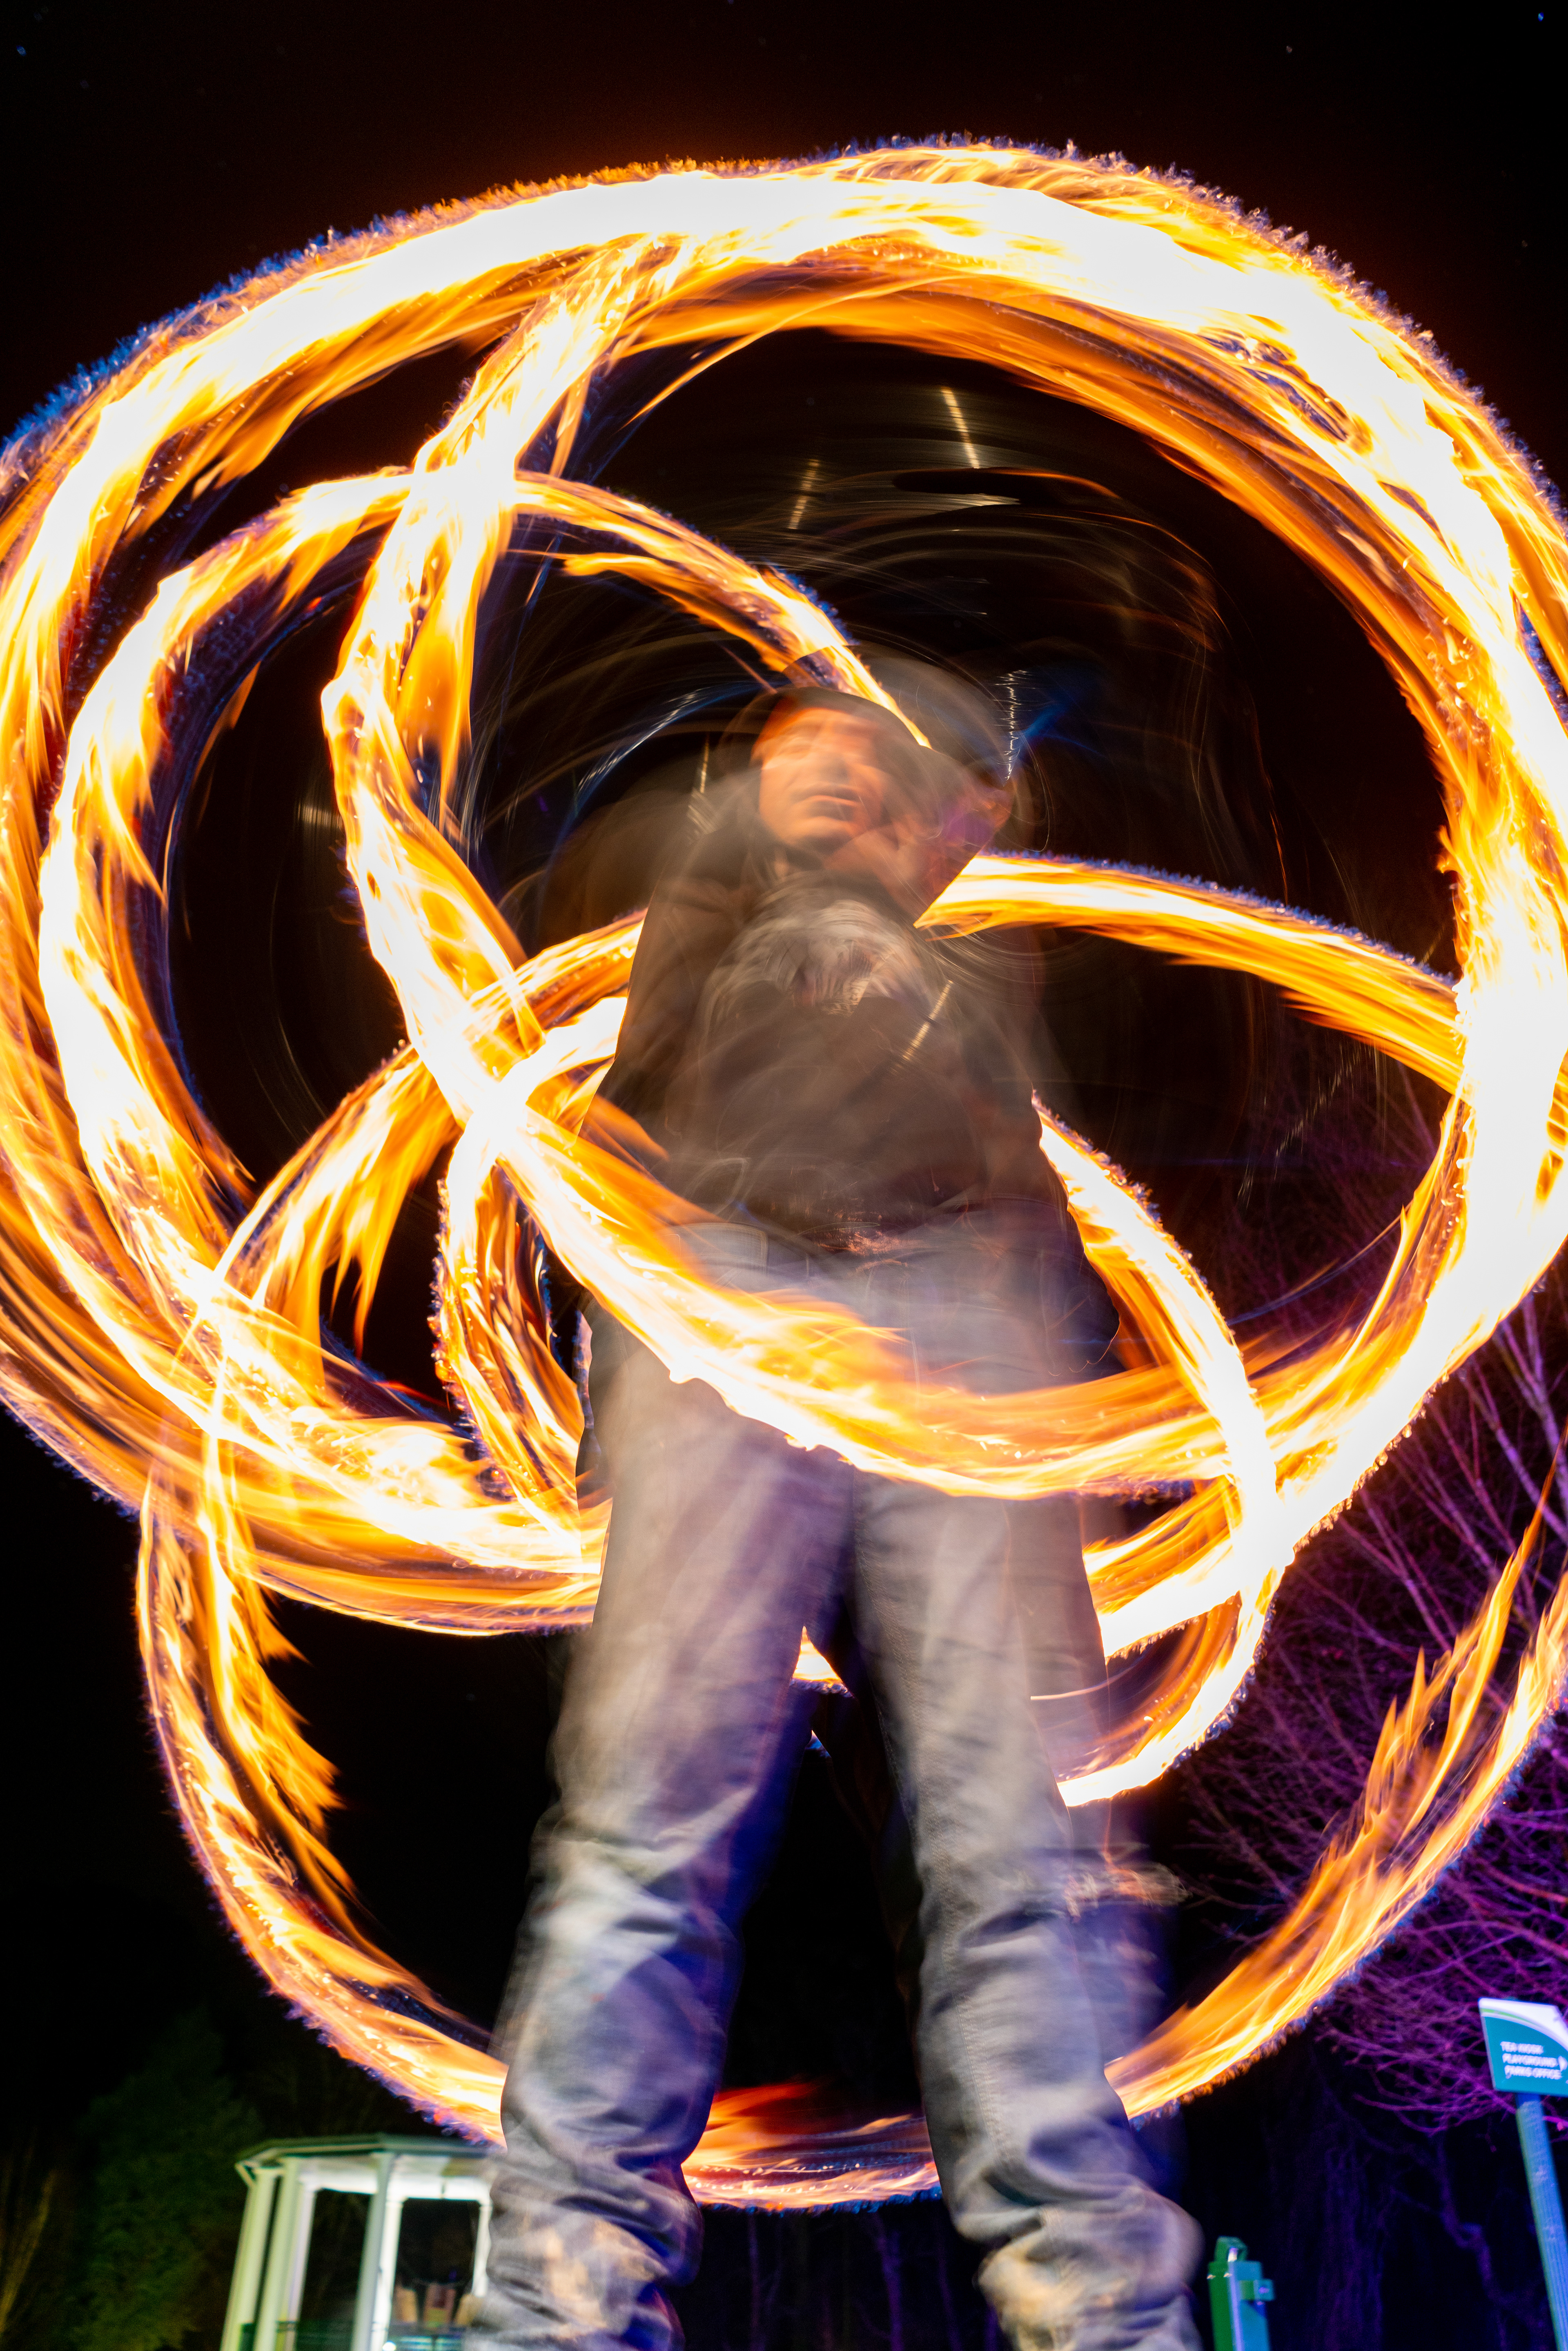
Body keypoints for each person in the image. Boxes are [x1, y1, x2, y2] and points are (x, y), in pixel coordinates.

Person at [480, 661, 1202, 2350]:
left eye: (889, 759)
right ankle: (555, 2324)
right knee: (644, 1833)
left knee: (1025, 1852)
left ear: (969, 814)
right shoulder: (704, 894)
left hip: (981, 1319)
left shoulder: (988, 970)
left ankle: (1106, 2321)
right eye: (803, 742)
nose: (833, 766)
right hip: (720, 1287)